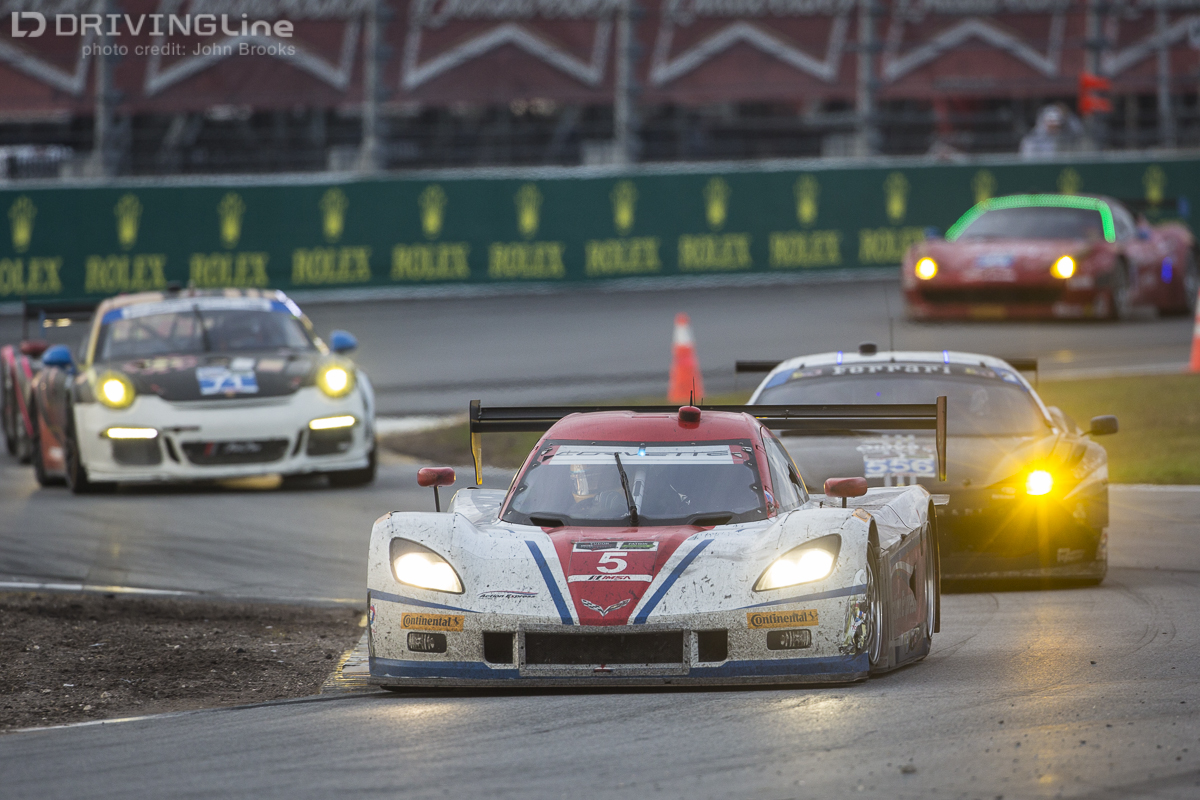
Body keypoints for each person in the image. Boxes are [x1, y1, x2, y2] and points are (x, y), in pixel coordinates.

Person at [1019, 104, 1084, 158]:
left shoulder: (1062, 139)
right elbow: (1027, 160)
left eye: (1056, 125)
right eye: (1051, 125)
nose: (1054, 128)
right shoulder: (1032, 139)